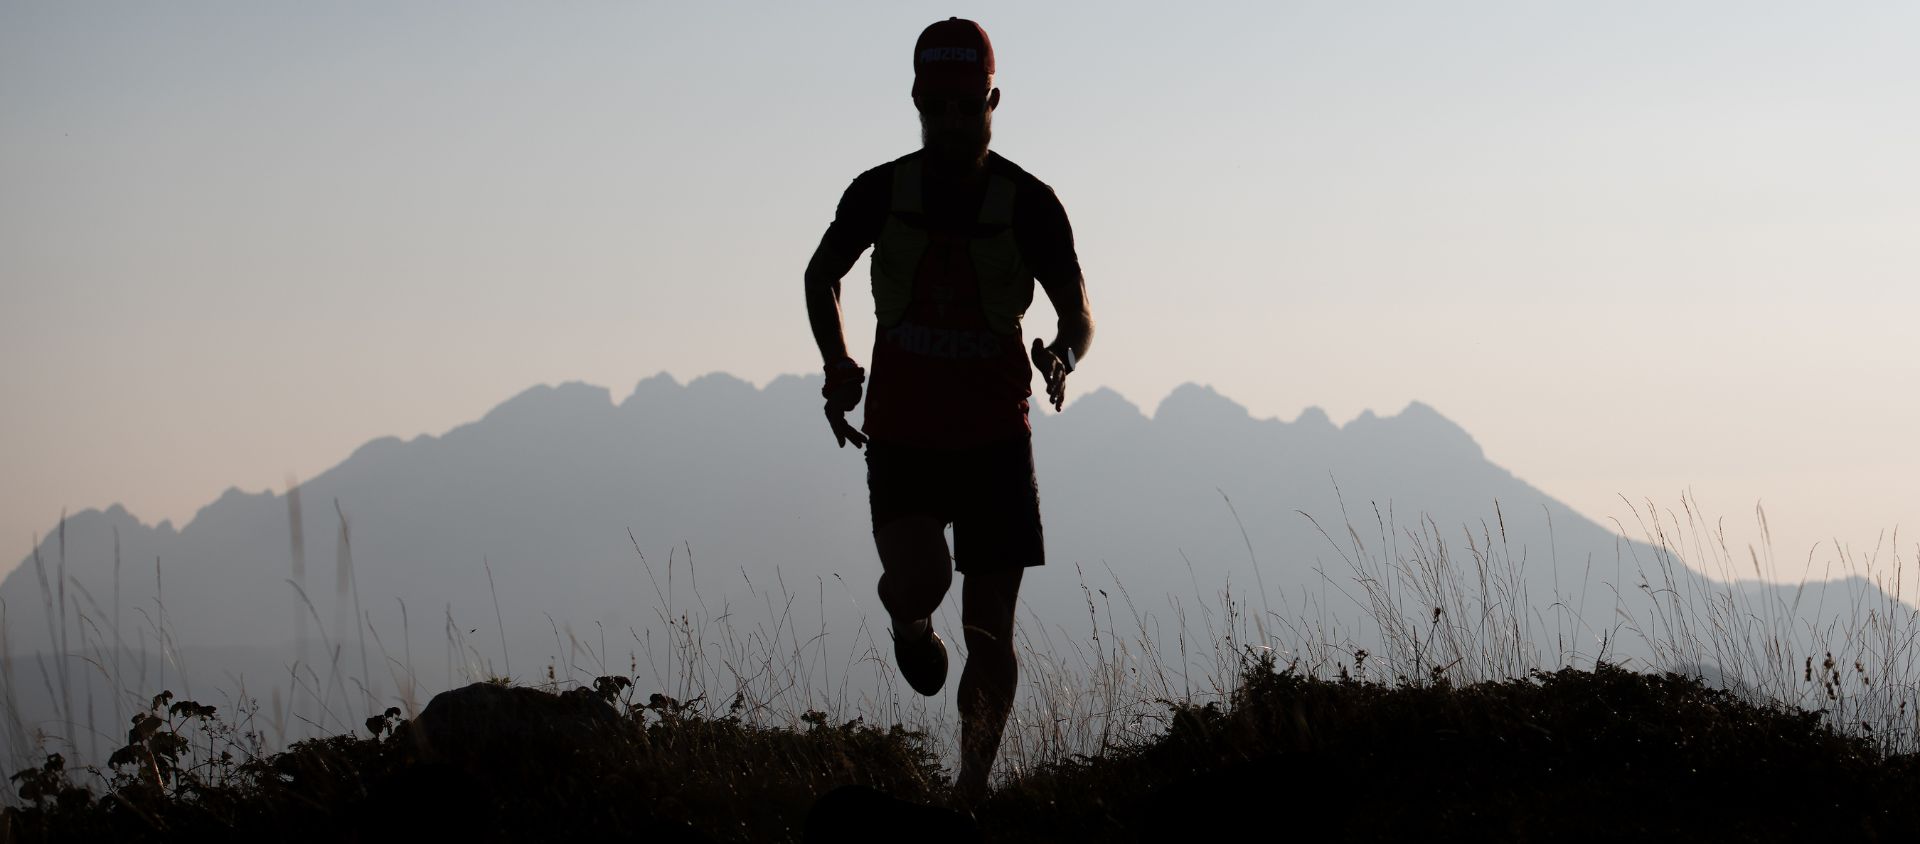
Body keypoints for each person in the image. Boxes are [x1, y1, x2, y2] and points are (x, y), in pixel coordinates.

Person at [801, 18, 1094, 809]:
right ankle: (906, 623)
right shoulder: (880, 191)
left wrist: (1061, 358)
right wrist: (837, 366)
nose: (954, 122)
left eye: (968, 107)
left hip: (998, 441)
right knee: (922, 576)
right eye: (939, 107)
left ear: (992, 101)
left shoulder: (1031, 205)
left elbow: (1078, 316)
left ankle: (969, 794)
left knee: (990, 631)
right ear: (917, 101)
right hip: (902, 436)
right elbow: (820, 274)